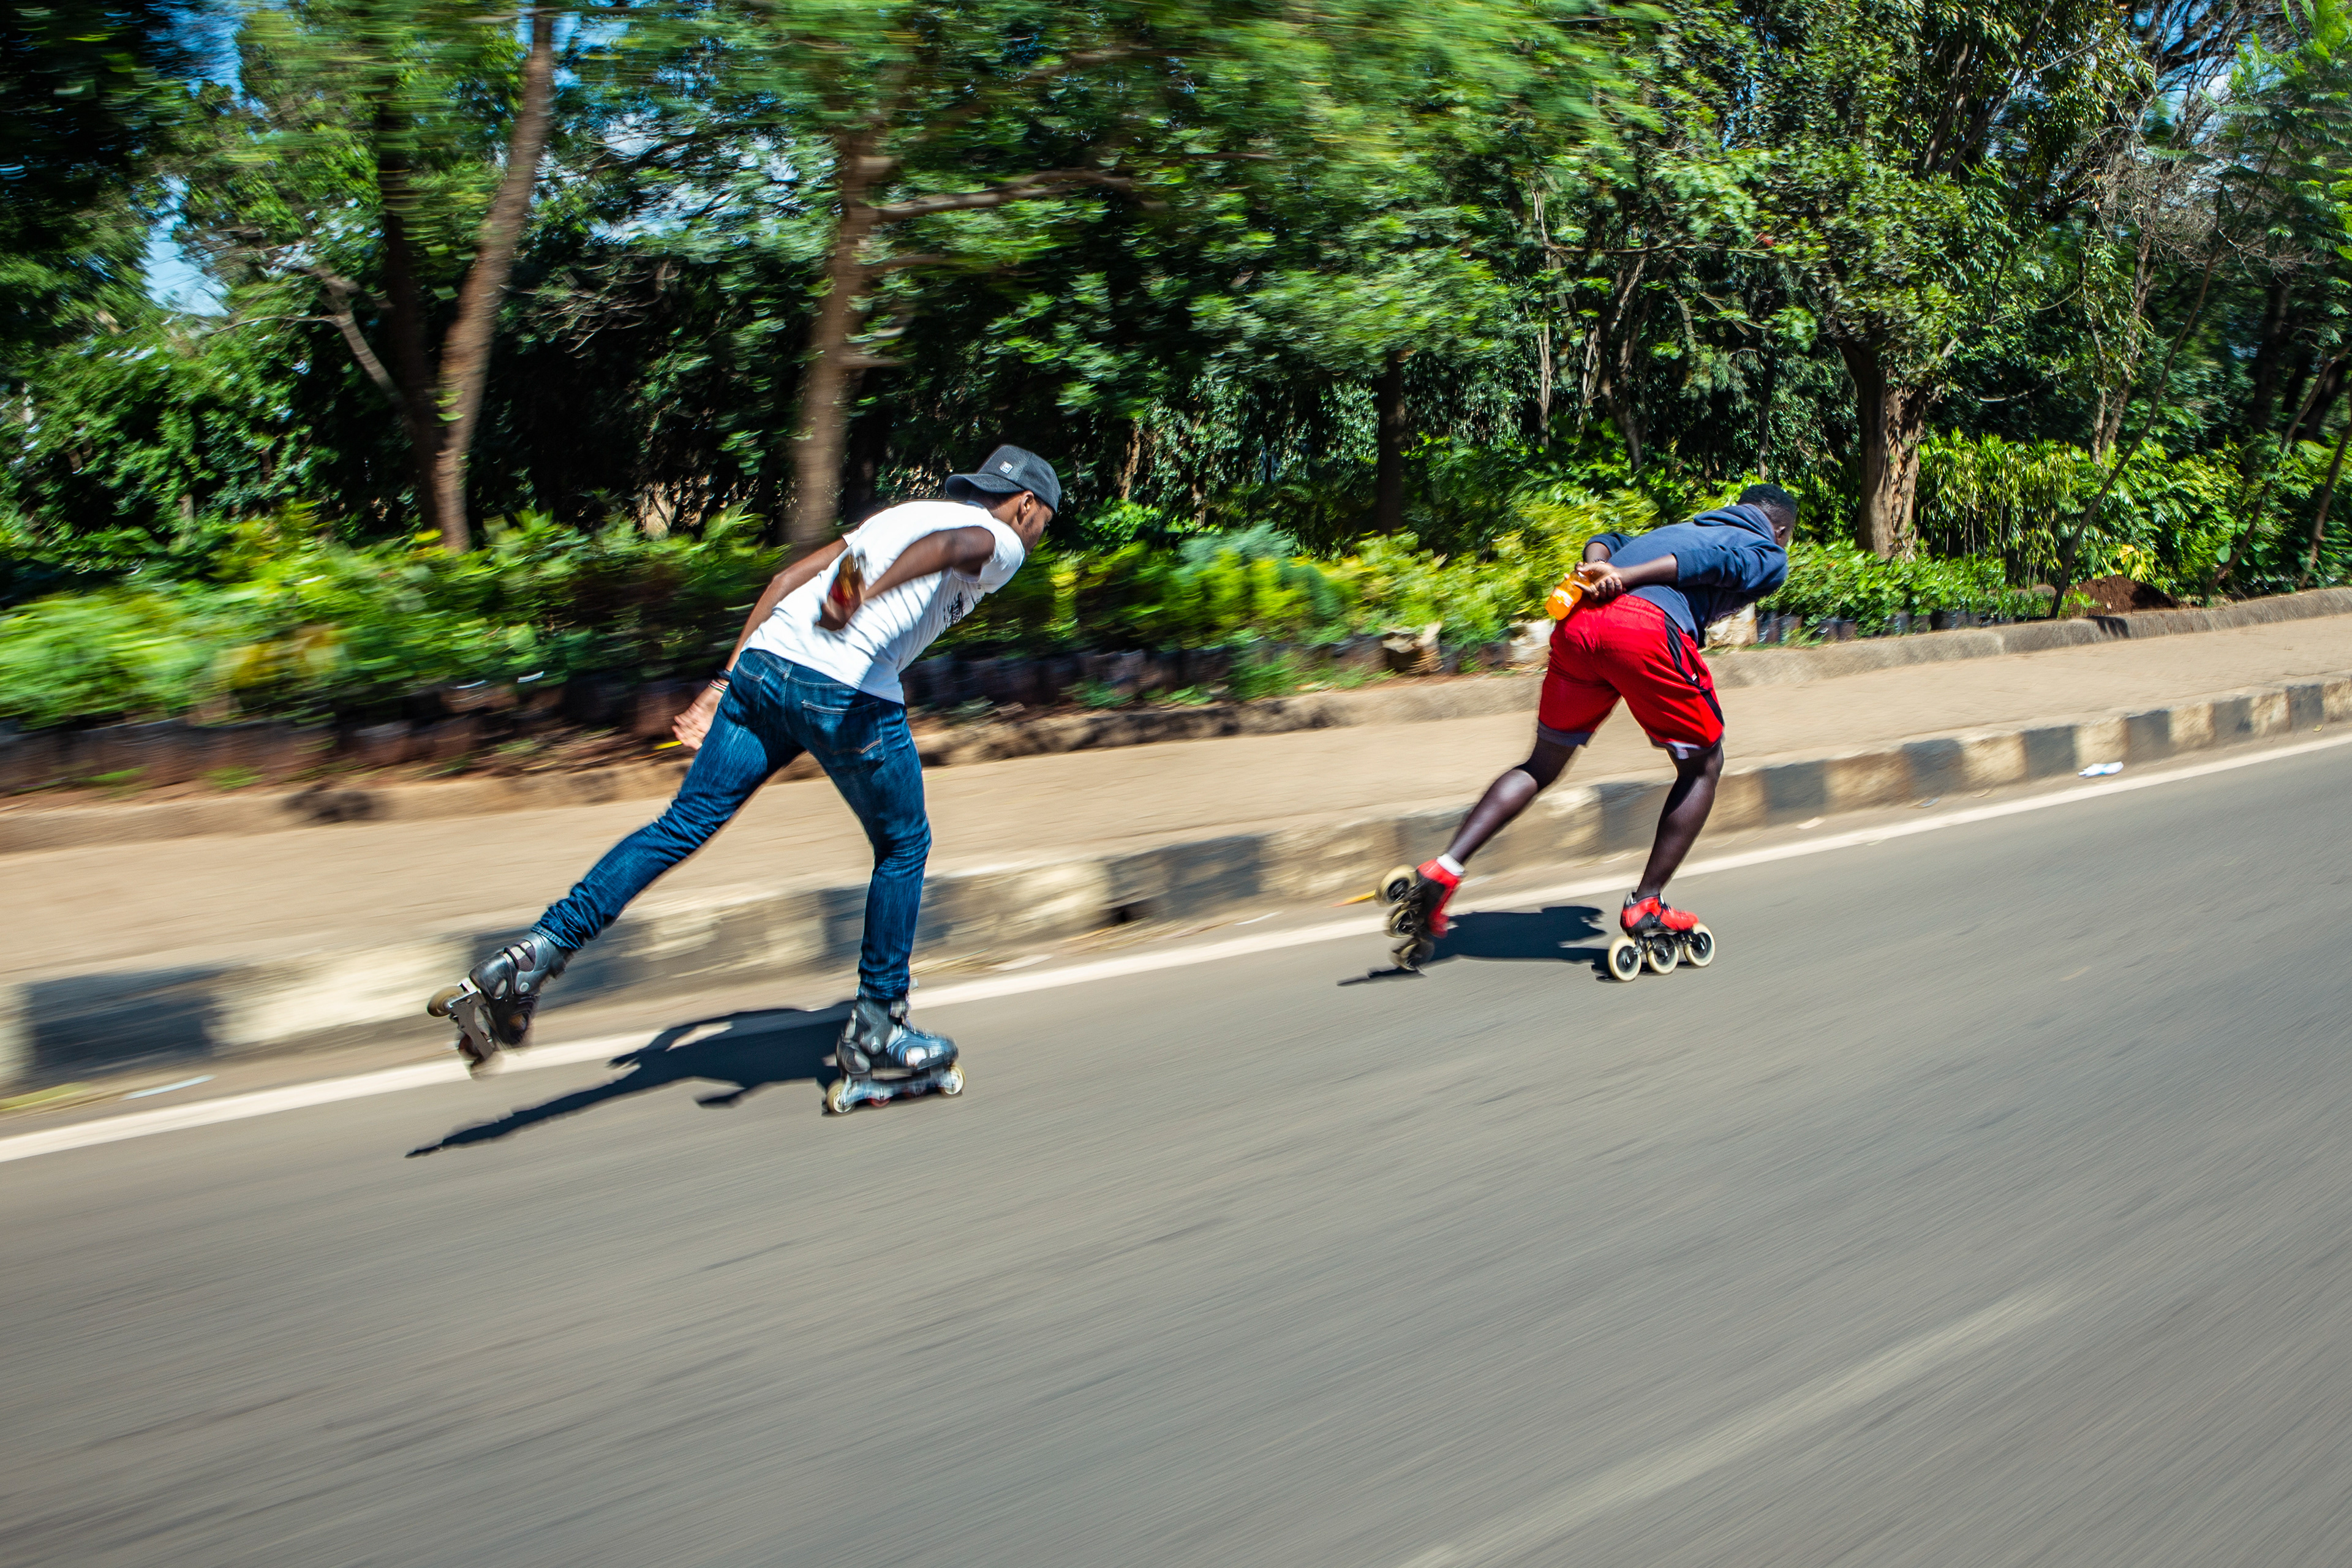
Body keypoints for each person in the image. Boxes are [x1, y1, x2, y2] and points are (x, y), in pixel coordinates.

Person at [429, 445, 1061, 1082]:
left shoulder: (901, 514)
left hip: (766, 668)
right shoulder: (999, 537)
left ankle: (532, 956)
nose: (1039, 536)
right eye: (1045, 522)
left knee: (681, 825)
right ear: (1027, 506)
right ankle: (878, 1025)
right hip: (842, 687)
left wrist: (721, 684)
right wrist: (864, 592)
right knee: (904, 844)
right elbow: (954, 548)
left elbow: (786, 583)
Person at [1389, 483, 1795, 957]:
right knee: (1704, 764)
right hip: (1643, 630)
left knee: (1542, 763)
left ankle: (1445, 868)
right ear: (1782, 529)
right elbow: (1717, 566)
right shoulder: (1767, 549)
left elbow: (1607, 538)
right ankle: (1647, 903)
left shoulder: (1683, 528)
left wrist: (1596, 564)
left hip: (1579, 626)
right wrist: (1624, 577)